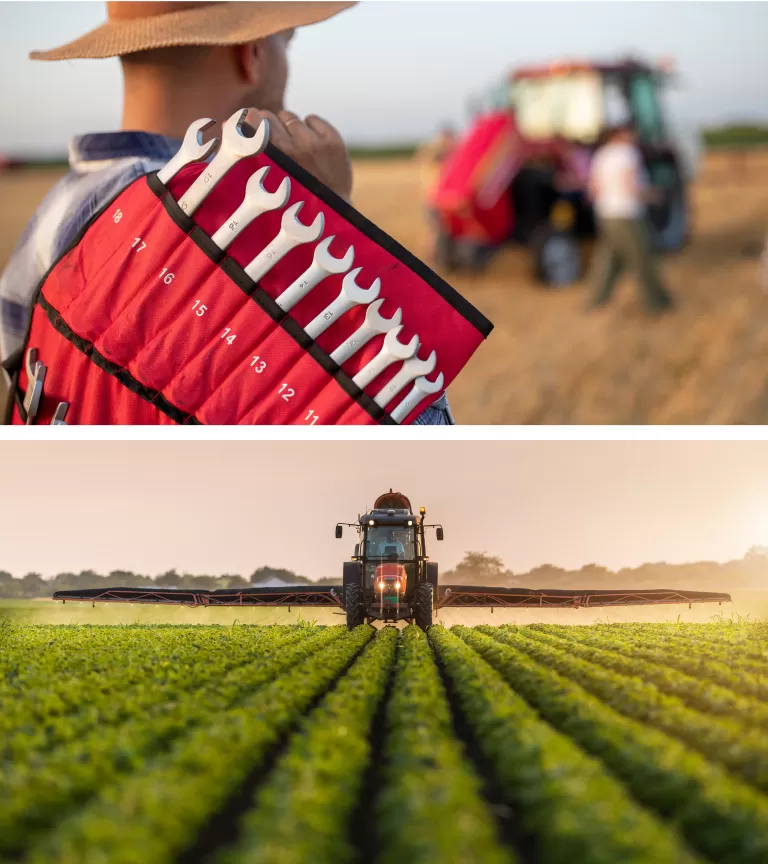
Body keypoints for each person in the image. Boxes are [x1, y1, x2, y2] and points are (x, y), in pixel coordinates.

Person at [0, 1, 452, 425]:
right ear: (250, 52)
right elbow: (411, 426)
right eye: (285, 40)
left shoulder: (60, 205)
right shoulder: (222, 224)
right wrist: (335, 221)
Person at [587, 123, 674, 314]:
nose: (634, 137)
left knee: (608, 260)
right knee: (642, 259)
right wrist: (652, 195)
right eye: (631, 133)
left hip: (606, 214)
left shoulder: (601, 155)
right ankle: (657, 303)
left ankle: (596, 301)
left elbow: (593, 189)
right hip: (627, 215)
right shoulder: (627, 154)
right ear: (622, 134)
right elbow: (630, 186)